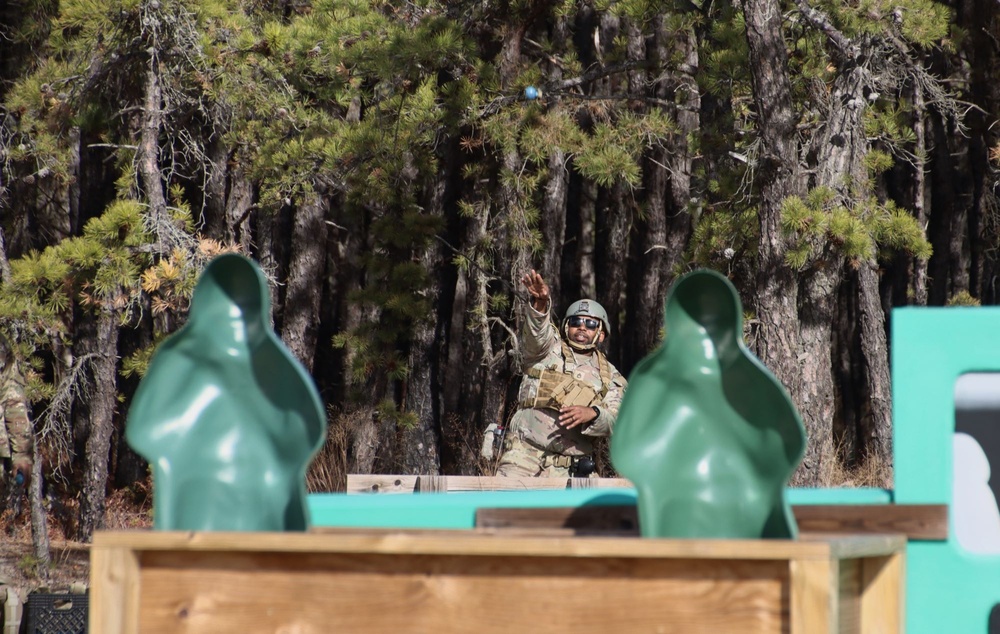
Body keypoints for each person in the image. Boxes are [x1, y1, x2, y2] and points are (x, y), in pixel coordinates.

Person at [493, 270, 627, 478]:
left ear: (600, 334)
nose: (582, 327)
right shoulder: (546, 351)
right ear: (566, 326)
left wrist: (593, 413)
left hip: (571, 470)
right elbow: (537, 333)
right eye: (575, 322)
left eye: (590, 324)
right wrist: (540, 304)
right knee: (506, 510)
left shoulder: (611, 376)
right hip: (522, 458)